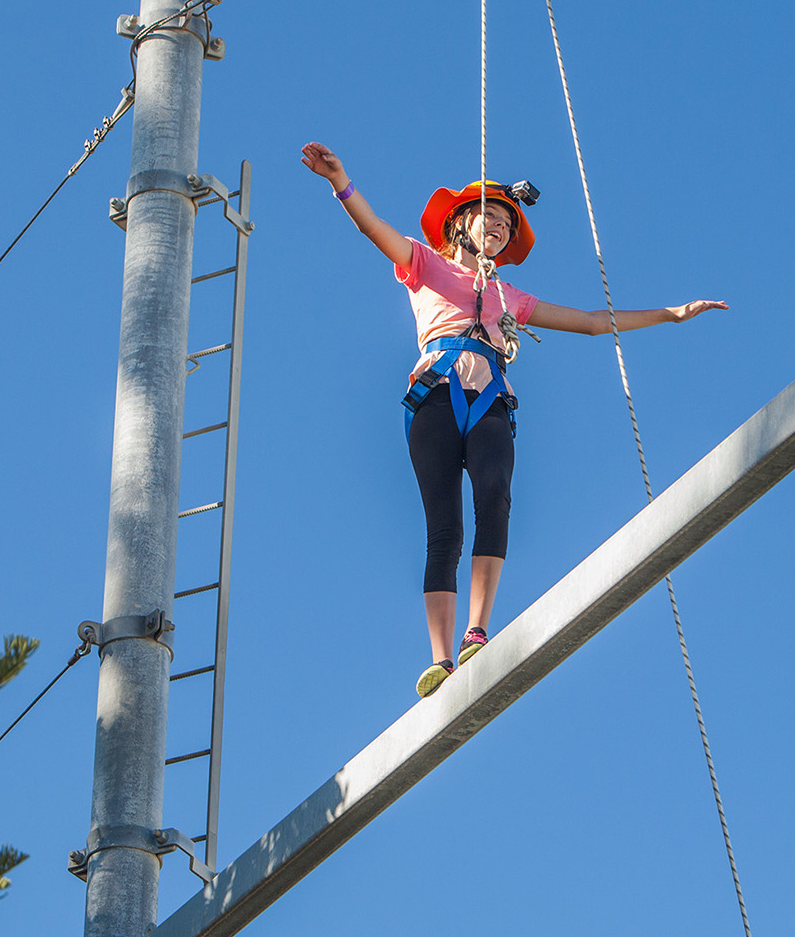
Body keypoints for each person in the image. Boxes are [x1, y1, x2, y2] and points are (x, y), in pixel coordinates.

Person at [301, 141, 728, 698]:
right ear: (460, 224)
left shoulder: (507, 297)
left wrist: (671, 314)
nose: (500, 229)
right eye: (491, 218)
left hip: (491, 400)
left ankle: (477, 631)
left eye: (507, 224)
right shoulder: (424, 265)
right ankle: (440, 659)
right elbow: (373, 229)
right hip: (434, 395)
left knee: (496, 498)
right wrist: (342, 182)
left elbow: (594, 322)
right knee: (443, 528)